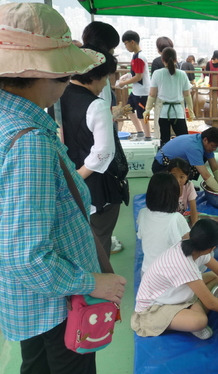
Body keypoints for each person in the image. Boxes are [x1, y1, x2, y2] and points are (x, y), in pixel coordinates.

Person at [0, 3, 126, 374]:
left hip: (27, 302)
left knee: (35, 366)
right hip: (57, 305)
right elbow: (27, 256)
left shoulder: (12, 118)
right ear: (38, 72)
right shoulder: (29, 142)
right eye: (63, 73)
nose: (69, 79)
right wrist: (93, 283)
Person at [60, 45, 129, 258]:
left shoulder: (59, 95)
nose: (107, 83)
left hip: (66, 176)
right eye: (106, 77)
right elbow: (103, 153)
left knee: (77, 239)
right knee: (99, 240)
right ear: (95, 76)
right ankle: (100, 284)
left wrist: (70, 179)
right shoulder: (96, 105)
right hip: (95, 186)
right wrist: (77, 178)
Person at [131, 219, 218, 339]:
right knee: (200, 321)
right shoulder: (185, 264)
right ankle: (187, 320)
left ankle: (188, 312)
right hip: (153, 309)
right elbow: (211, 303)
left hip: (174, 292)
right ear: (212, 248)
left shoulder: (193, 246)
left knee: (215, 277)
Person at [82, 21, 131, 254]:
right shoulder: (96, 85)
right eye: (111, 50)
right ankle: (102, 248)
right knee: (102, 208)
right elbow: (102, 151)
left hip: (88, 155)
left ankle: (103, 240)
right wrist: (78, 174)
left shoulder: (74, 87)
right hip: (97, 166)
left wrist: (115, 113)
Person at [137, 173, 190, 274]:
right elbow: (190, 242)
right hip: (170, 274)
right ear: (174, 195)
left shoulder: (142, 213)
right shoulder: (176, 218)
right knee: (212, 273)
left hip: (146, 273)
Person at [152, 127, 218, 194]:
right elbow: (205, 175)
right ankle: (173, 186)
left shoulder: (202, 141)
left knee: (200, 160)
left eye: (216, 147)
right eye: (213, 146)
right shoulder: (194, 147)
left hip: (174, 162)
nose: (214, 149)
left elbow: (215, 167)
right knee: (197, 165)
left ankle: (184, 184)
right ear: (205, 140)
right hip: (161, 167)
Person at [143, 47, 195, 146]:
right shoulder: (182, 74)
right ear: (176, 60)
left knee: (164, 141)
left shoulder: (157, 74)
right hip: (178, 112)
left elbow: (152, 94)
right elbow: (187, 94)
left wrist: (147, 110)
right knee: (183, 140)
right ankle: (183, 160)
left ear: (162, 60)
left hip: (163, 112)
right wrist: (191, 110)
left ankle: (165, 160)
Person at [116, 30, 152, 141]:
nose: (125, 46)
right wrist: (127, 75)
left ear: (132, 42)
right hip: (136, 90)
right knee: (129, 109)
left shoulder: (139, 57)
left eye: (125, 43)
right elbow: (135, 73)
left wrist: (122, 84)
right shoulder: (135, 56)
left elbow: (138, 77)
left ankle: (148, 136)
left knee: (142, 115)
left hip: (142, 91)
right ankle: (140, 132)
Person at [167, 158, 199, 224]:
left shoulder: (189, 185)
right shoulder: (165, 187)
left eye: (182, 177)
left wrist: (194, 227)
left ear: (187, 176)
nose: (177, 180)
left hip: (179, 217)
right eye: (173, 176)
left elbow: (193, 210)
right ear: (168, 174)